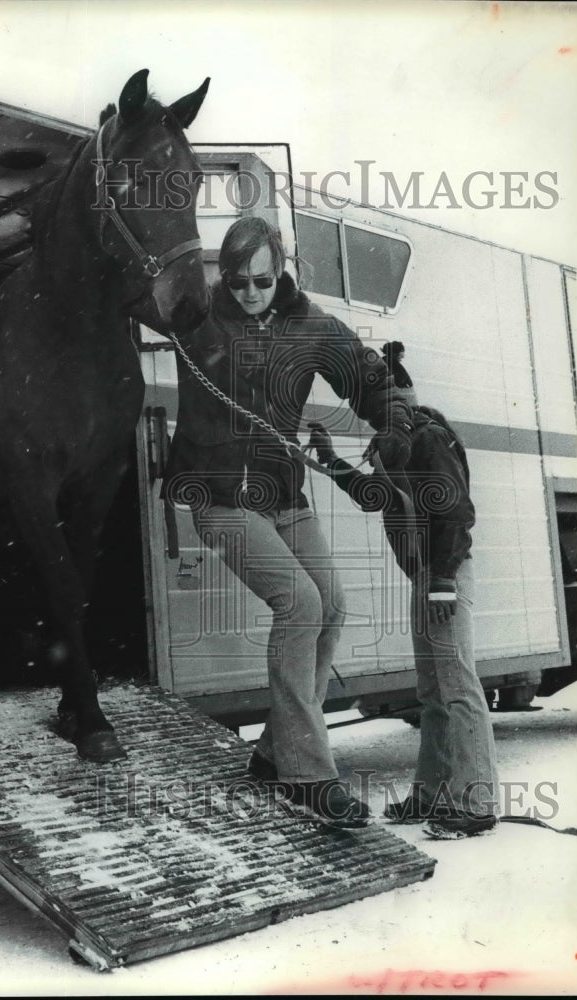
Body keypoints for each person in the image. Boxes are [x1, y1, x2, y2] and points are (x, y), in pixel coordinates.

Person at [161, 217, 415, 828]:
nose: (251, 292)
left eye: (263, 280)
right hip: (219, 496)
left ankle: (275, 752)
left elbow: (368, 379)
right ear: (223, 276)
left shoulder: (311, 326)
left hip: (283, 494)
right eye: (239, 281)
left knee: (330, 604)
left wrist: (398, 421)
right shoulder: (197, 319)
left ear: (282, 272)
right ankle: (307, 774)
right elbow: (132, 276)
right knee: (298, 603)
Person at [307, 340, 500, 839]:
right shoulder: (394, 443)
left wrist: (440, 584)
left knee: (458, 687)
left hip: (445, 573)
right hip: (427, 577)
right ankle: (432, 794)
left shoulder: (428, 437)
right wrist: (329, 460)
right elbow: (375, 498)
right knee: (433, 692)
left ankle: (476, 803)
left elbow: (457, 513)